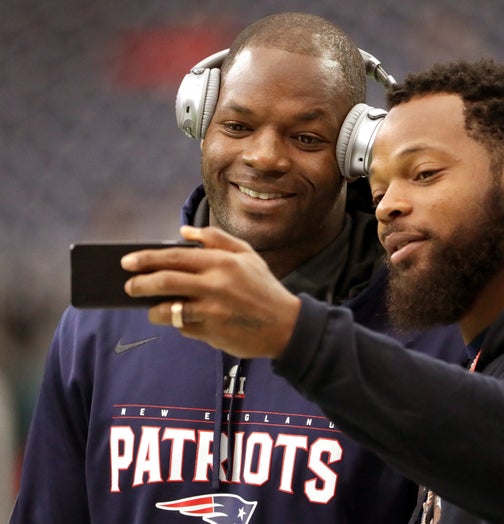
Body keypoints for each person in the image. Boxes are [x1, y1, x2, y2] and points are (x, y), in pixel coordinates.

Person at [118, 58, 504, 523]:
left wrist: (295, 333)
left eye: (424, 173)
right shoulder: (497, 362)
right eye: (377, 191)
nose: (390, 206)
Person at [10, 12, 467, 524]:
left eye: (307, 138)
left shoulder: (432, 335)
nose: (265, 156)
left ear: (356, 154)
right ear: (199, 121)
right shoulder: (107, 311)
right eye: (237, 126)